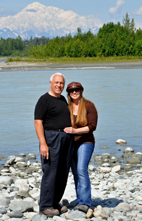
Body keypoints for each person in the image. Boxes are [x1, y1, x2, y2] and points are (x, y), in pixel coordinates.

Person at [34, 73, 74, 217]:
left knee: (62, 172)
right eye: (56, 82)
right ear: (50, 83)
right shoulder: (44, 100)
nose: (59, 85)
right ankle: (45, 205)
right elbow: (38, 122)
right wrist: (43, 144)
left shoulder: (63, 99)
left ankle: (55, 202)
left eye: (61, 83)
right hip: (51, 138)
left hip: (66, 139)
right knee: (50, 171)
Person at [64, 81, 98, 213]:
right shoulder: (66, 107)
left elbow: (92, 126)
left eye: (77, 90)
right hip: (71, 144)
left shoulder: (89, 105)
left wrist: (75, 131)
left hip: (86, 142)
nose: (74, 92)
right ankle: (80, 200)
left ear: (81, 91)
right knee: (75, 172)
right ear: (68, 93)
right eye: (71, 90)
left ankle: (85, 202)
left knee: (81, 169)